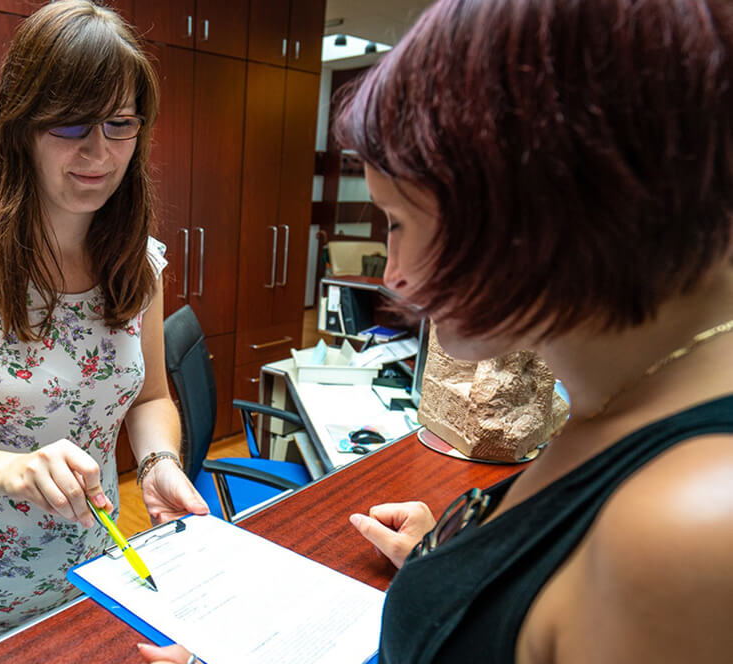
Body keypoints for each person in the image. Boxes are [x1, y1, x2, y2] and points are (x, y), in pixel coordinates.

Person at [139, 0, 733, 662]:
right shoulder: (623, 400)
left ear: (525, 201)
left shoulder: (686, 529)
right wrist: (452, 559)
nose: (393, 275)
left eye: (397, 221)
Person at [0, 2, 208, 662]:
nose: (98, 152)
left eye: (119, 124)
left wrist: (159, 463)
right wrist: (13, 470)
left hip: (92, 576)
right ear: (20, 125)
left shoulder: (137, 263)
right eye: (71, 123)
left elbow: (149, 398)